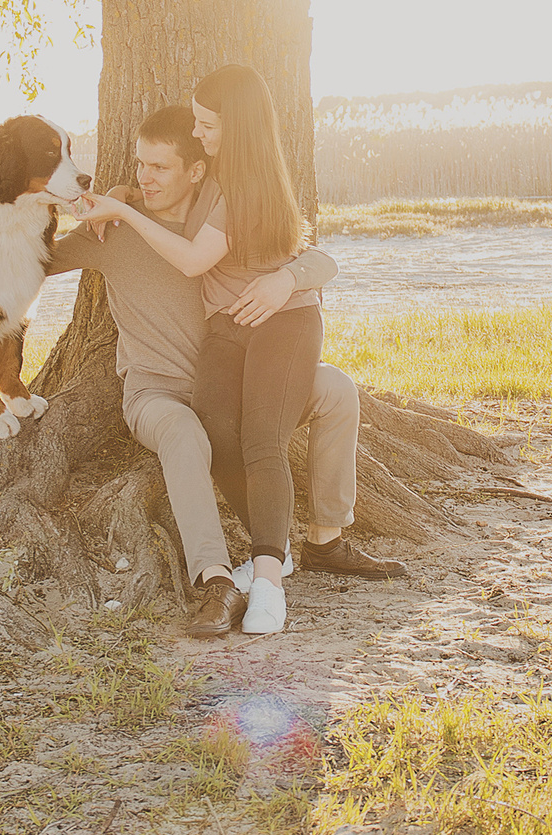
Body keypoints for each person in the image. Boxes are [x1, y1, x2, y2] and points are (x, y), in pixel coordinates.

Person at [63, 86, 403, 636]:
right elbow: (30, 260)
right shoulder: (112, 229)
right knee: (185, 432)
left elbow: (316, 258)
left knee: (338, 390)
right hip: (158, 393)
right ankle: (216, 579)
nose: (144, 178)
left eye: (159, 167)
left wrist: (286, 278)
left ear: (196, 173)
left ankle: (326, 539)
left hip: (242, 377)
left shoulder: (223, 222)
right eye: (138, 166)